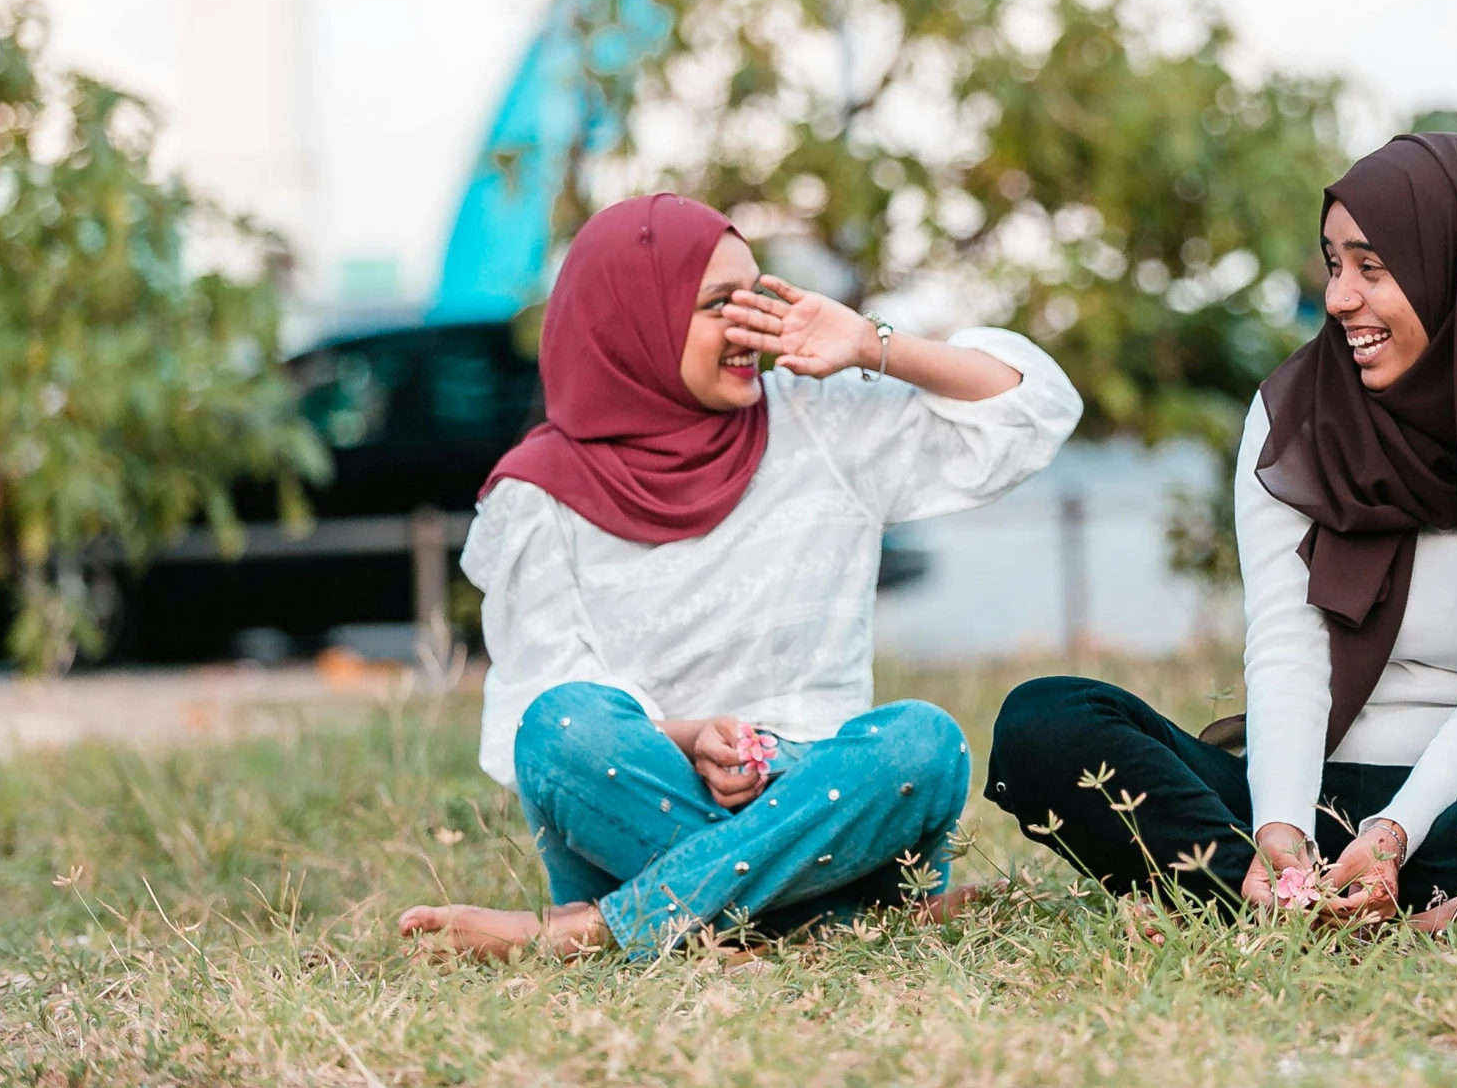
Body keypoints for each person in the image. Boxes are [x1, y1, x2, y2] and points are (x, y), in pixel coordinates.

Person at [989, 134, 1457, 930]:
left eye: (1371, 268)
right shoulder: (1295, 416)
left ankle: (1290, 909)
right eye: (1333, 263)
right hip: (1292, 791)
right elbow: (1287, 643)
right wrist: (1279, 829)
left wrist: (1393, 837)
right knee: (1044, 724)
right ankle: (1320, 904)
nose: (1340, 298)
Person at [399, 193, 1082, 958]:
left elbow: (1038, 410)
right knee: (556, 726)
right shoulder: (540, 494)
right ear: (634, 320)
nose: (748, 323)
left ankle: (605, 931)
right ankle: (836, 923)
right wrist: (691, 740)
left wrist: (870, 343)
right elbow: (531, 727)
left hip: (826, 793)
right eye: (715, 302)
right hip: (656, 788)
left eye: (755, 294)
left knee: (921, 741)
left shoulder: (817, 417)